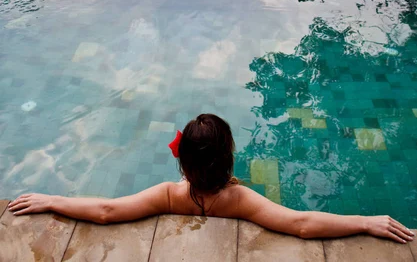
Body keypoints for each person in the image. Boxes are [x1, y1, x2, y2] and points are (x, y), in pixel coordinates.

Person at [8, 113, 415, 243]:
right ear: (229, 158)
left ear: (183, 163)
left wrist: (52, 199)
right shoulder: (239, 201)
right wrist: (364, 221)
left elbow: (105, 210)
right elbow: (301, 223)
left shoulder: (169, 195)